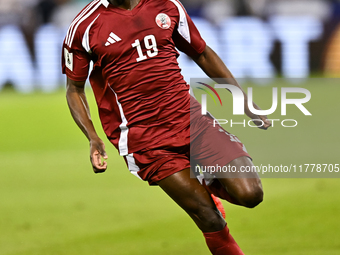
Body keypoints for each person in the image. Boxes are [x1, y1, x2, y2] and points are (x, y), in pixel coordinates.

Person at [62, 0, 271, 254]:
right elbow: (74, 89)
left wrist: (242, 99)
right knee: (209, 216)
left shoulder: (167, 5)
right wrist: (92, 137)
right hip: (145, 137)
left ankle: (204, 181)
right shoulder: (84, 26)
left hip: (191, 119)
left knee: (250, 194)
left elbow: (201, 52)